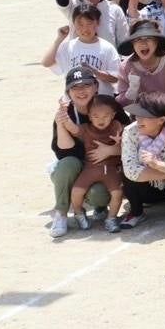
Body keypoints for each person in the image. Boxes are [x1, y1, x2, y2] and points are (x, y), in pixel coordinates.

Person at [48, 68, 114, 237]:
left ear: (96, 86)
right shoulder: (67, 113)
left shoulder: (108, 106)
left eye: (86, 85)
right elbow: (64, 152)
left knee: (99, 195)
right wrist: (61, 123)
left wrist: (111, 150)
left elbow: (129, 139)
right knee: (66, 164)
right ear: (68, 92)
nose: (81, 91)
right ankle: (61, 213)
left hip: (103, 167)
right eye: (75, 87)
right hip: (77, 167)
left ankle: (100, 207)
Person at [118, 92, 165, 229]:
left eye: (144, 116)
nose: (138, 119)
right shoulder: (130, 132)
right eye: (137, 115)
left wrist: (158, 164)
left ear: (161, 119)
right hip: (146, 189)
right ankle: (136, 212)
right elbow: (131, 171)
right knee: (126, 176)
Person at [62, 94, 126, 234]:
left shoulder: (117, 127)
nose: (100, 120)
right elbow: (71, 128)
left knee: (117, 193)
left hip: (111, 169)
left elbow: (131, 141)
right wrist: (63, 112)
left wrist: (119, 142)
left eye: (105, 116)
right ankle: (79, 213)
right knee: (76, 191)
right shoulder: (85, 129)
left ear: (113, 115)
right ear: (89, 116)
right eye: (96, 116)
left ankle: (111, 218)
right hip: (90, 169)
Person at [45, 2, 120, 87]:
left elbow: (116, 78)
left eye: (89, 23)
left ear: (98, 22)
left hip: (100, 95)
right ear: (73, 23)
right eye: (80, 24)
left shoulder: (107, 48)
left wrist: (95, 72)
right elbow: (46, 63)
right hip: (75, 94)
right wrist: (59, 39)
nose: (85, 29)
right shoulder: (67, 47)